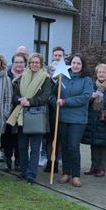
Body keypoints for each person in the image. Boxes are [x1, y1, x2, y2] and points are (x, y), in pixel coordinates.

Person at [8, 53, 52, 184]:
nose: (34, 64)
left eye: (37, 62)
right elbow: (14, 95)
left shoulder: (45, 78)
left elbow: (45, 97)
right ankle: (23, 171)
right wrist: (20, 100)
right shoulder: (22, 77)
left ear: (41, 64)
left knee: (35, 148)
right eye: (32, 62)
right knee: (22, 147)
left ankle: (31, 174)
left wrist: (30, 102)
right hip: (22, 116)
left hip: (37, 116)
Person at [51, 54, 94, 187]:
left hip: (78, 119)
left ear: (83, 65)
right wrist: (55, 102)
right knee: (64, 146)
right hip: (63, 118)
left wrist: (65, 102)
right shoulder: (62, 77)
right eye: (74, 63)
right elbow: (53, 94)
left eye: (78, 63)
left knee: (73, 146)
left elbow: (86, 97)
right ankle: (66, 173)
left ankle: (76, 175)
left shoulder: (86, 80)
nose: (75, 66)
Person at [81, 63, 106, 177]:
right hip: (93, 119)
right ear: (96, 74)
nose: (101, 74)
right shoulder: (91, 86)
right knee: (94, 144)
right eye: (99, 72)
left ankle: (102, 168)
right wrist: (91, 98)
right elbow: (85, 101)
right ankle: (93, 167)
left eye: (104, 72)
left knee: (104, 145)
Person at [1, 53, 27, 172]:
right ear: (13, 63)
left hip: (23, 110)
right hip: (8, 110)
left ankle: (18, 160)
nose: (19, 65)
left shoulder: (28, 76)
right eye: (16, 62)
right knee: (7, 136)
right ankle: (7, 159)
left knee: (19, 137)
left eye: (21, 62)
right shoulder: (7, 75)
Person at [44, 46, 67, 174]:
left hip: (60, 112)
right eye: (56, 55)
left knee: (58, 140)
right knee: (48, 139)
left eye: (60, 55)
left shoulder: (65, 78)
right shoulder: (46, 79)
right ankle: (49, 161)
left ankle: (56, 162)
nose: (58, 57)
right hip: (48, 112)